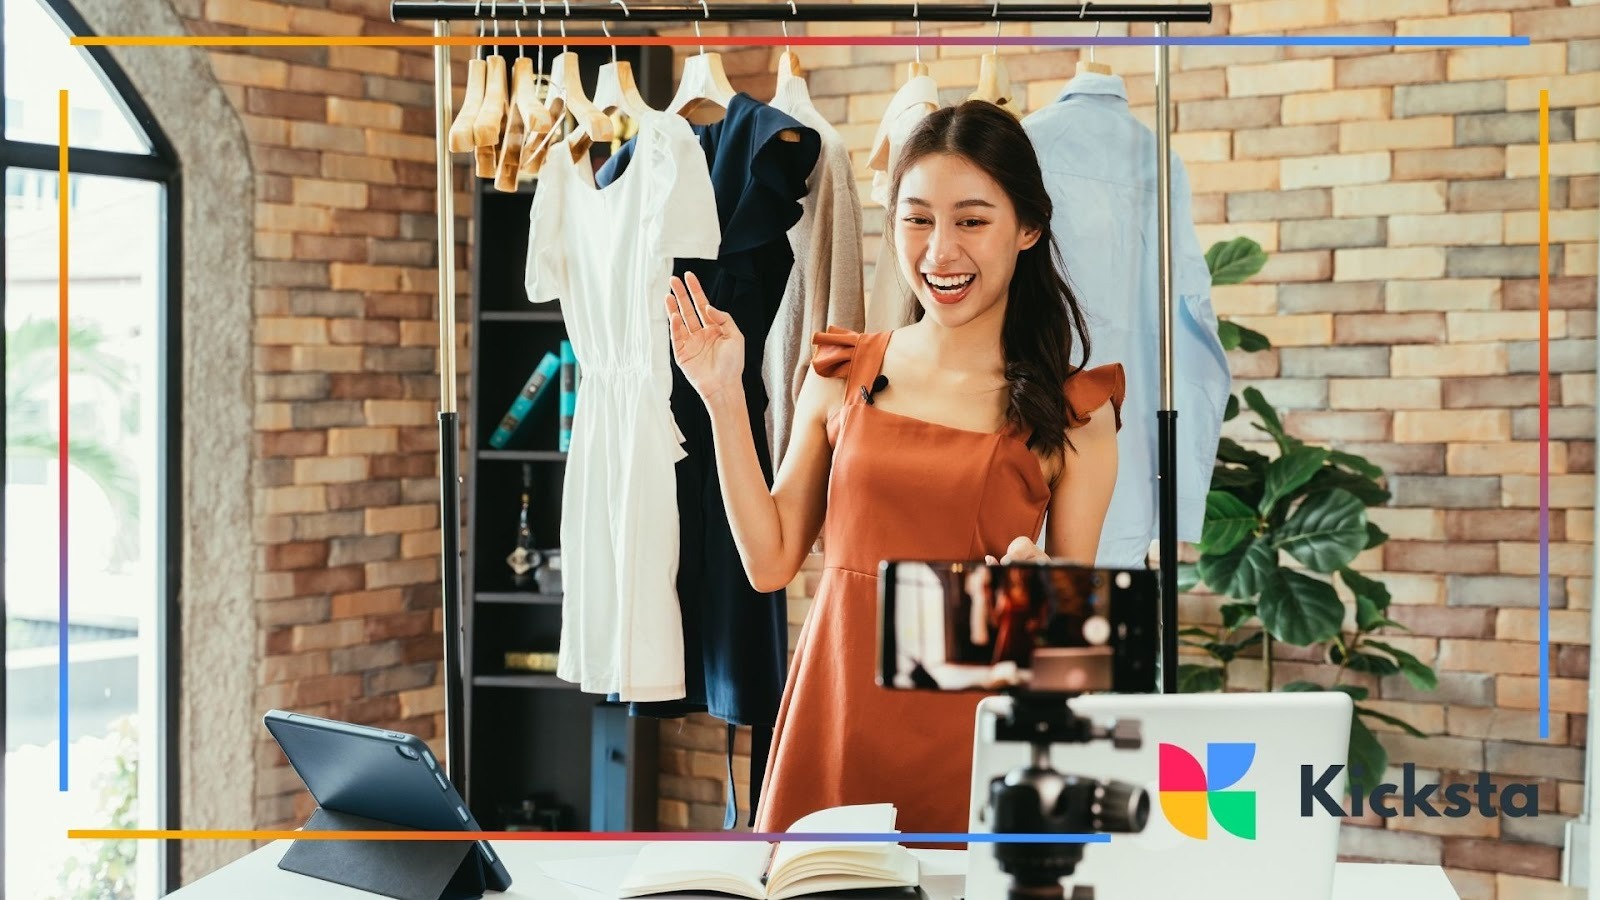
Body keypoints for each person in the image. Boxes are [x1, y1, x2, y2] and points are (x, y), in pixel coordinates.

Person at [663, 100, 1126, 836]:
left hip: (972, 745)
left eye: (972, 221)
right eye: (918, 219)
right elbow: (770, 559)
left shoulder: (1075, 413)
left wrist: (1040, 595)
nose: (940, 252)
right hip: (835, 714)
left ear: (1028, 230)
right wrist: (723, 396)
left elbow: (1066, 657)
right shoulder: (845, 367)